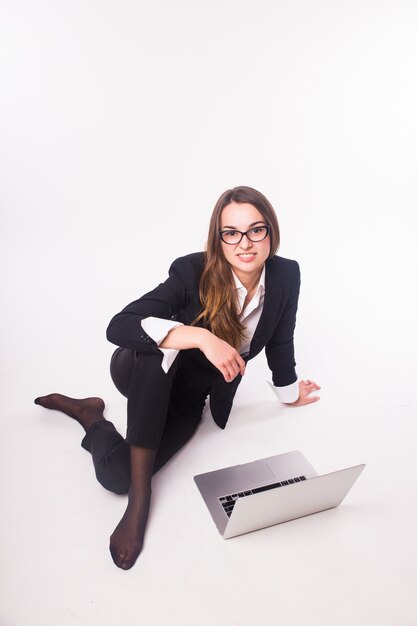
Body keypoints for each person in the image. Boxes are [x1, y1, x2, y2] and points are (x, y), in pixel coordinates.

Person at [35, 186, 320, 570]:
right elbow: (120, 325)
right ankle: (141, 503)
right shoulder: (191, 271)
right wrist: (202, 337)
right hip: (138, 370)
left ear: (271, 231)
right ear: (217, 239)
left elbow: (282, 337)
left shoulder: (287, 275)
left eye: (256, 230)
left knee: (116, 476)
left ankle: (90, 414)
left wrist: (288, 394)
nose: (245, 243)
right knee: (162, 350)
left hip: (187, 394)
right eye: (231, 233)